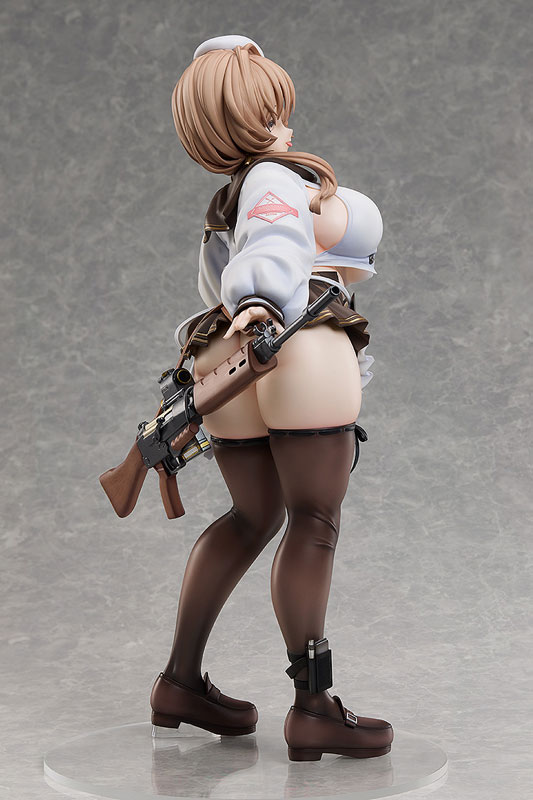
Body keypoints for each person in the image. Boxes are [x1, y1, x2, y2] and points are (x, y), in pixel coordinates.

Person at [149, 35, 393, 762]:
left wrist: (247, 303)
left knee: (252, 518)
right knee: (312, 519)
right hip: (292, 341)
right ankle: (313, 708)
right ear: (251, 117)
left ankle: (180, 682)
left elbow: (225, 274)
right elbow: (277, 244)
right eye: (270, 109)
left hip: (224, 358)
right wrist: (260, 297)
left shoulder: (227, 198)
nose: (284, 121)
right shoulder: (274, 178)